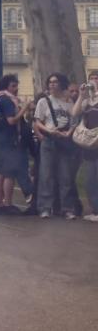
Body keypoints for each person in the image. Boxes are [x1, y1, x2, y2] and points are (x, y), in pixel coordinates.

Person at [34, 73, 78, 219]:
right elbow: (38, 121)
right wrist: (48, 130)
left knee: (66, 176)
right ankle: (45, 207)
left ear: (61, 84)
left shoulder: (69, 102)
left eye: (55, 82)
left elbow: (74, 120)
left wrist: (69, 133)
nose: (52, 85)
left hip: (64, 140)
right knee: (46, 175)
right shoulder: (44, 101)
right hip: (49, 139)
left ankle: (67, 208)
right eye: (50, 82)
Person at [0, 74, 32, 215]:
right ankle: (7, 204)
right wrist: (24, 108)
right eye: (13, 86)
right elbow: (12, 121)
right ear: (6, 87)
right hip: (8, 139)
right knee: (9, 173)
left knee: (0, 173)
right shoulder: (8, 101)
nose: (16, 89)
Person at [72, 70, 98, 222]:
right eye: (92, 78)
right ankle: (95, 210)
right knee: (90, 179)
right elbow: (74, 113)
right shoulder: (87, 101)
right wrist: (82, 95)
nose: (94, 81)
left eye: (97, 78)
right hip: (90, 144)